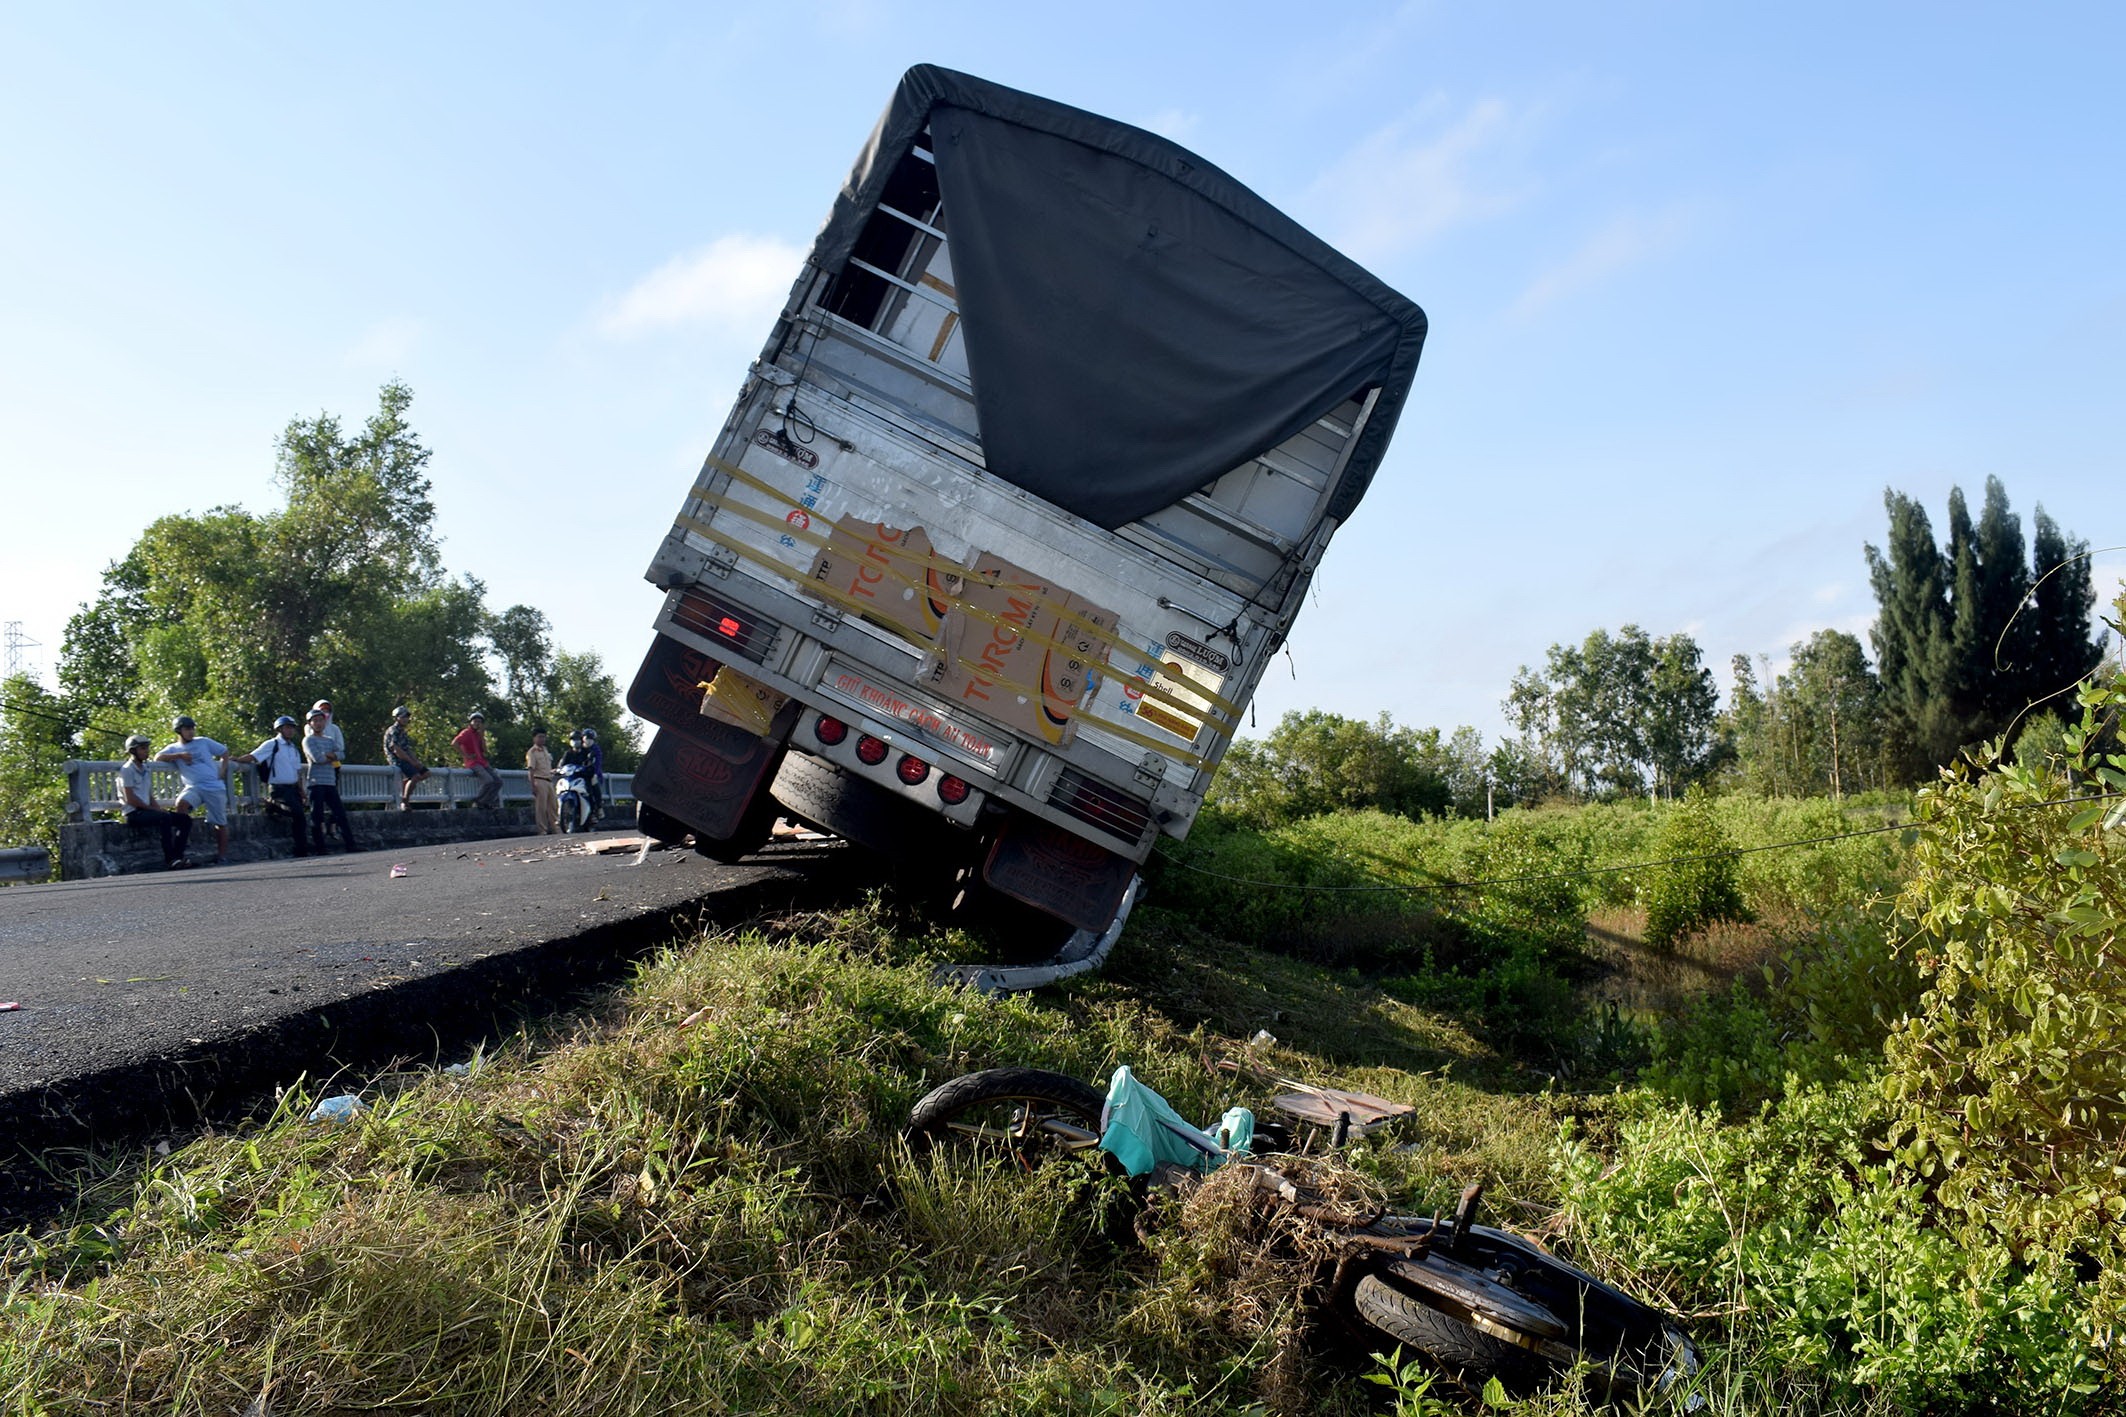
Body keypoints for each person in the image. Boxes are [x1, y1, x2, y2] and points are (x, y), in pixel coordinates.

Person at [156, 714, 233, 865]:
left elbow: (224, 752)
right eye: (187, 729)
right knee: (181, 804)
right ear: (179, 731)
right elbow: (157, 757)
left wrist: (222, 772)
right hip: (194, 787)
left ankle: (222, 855)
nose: (191, 732)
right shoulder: (174, 748)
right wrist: (179, 756)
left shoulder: (203, 742)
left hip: (213, 786)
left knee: (219, 822)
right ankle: (182, 842)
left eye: (192, 729)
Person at [237, 715, 313, 858]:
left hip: (292, 788)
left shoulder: (293, 749)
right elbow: (254, 756)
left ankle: (302, 848)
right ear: (280, 729)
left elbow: (296, 772)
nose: (290, 731)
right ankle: (272, 805)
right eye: (287, 728)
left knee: (300, 816)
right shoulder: (272, 744)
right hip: (279, 788)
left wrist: (301, 790)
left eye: (292, 728)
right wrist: (237, 759)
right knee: (297, 814)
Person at [118, 733, 192, 869]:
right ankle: (170, 859)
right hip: (134, 813)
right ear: (133, 751)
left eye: (146, 748)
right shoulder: (127, 770)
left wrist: (157, 808)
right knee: (164, 818)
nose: (146, 752)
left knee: (185, 820)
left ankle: (178, 855)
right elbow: (131, 799)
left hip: (147, 810)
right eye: (142, 749)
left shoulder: (145, 768)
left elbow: (149, 795)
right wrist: (153, 810)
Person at [304, 707, 361, 852]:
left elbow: (341, 754)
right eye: (315, 721)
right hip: (316, 782)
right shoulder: (308, 740)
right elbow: (317, 758)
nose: (318, 723)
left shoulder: (329, 740)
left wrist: (330, 755)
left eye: (321, 720)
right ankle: (320, 847)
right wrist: (330, 756)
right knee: (317, 816)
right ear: (310, 724)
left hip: (330, 781)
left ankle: (351, 845)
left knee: (340, 814)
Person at [453, 709, 503, 810]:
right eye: (475, 721)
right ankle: (478, 801)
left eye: (479, 722)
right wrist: (466, 755)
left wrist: (482, 736)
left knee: (498, 782)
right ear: (471, 722)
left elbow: (485, 750)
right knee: (488, 781)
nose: (477, 723)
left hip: (482, 762)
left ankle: (487, 802)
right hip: (473, 763)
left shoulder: (478, 734)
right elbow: (454, 743)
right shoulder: (466, 733)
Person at [385, 705, 430, 809]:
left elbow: (407, 749)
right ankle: (405, 801)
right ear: (397, 718)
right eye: (403, 716)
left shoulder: (403, 731)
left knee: (426, 773)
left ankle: (404, 785)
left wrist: (416, 761)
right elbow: (397, 750)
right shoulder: (393, 730)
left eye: (407, 717)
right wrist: (412, 762)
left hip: (406, 758)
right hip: (396, 759)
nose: (406, 719)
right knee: (415, 776)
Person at [525, 727, 558, 834]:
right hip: (539, 780)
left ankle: (556, 829)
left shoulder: (545, 750)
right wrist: (533, 786)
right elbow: (531, 770)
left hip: (549, 780)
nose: (542, 739)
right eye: (539, 737)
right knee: (541, 808)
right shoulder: (532, 752)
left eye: (543, 737)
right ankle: (542, 830)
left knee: (553, 806)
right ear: (534, 738)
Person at [581, 726, 605, 823]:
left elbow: (598, 763)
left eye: (591, 738)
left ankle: (598, 809)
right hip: (581, 774)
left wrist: (595, 774)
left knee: (593, 791)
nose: (589, 740)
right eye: (587, 738)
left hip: (593, 775)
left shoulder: (595, 749)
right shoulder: (579, 749)